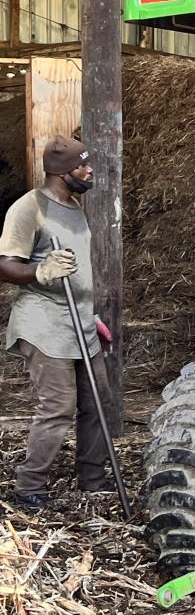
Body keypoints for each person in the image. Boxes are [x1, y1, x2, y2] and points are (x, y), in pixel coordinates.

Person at [0, 135, 115, 509]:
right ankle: (29, 485)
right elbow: (6, 265)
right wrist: (41, 270)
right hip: (44, 322)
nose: (89, 169)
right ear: (62, 172)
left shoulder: (75, 207)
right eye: (82, 165)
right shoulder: (29, 208)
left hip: (80, 321)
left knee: (98, 401)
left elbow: (79, 272)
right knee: (59, 406)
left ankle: (92, 478)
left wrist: (91, 314)